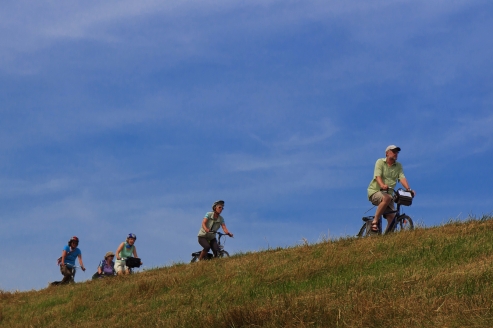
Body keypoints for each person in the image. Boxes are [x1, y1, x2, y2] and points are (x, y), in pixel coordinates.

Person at [367, 145, 415, 233]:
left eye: (397, 152)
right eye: (393, 151)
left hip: (388, 194)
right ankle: (375, 221)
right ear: (387, 153)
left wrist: (409, 189)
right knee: (387, 198)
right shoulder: (380, 162)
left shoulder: (398, 166)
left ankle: (387, 236)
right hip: (375, 192)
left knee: (392, 218)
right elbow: (377, 176)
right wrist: (382, 185)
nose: (395, 154)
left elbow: (402, 178)